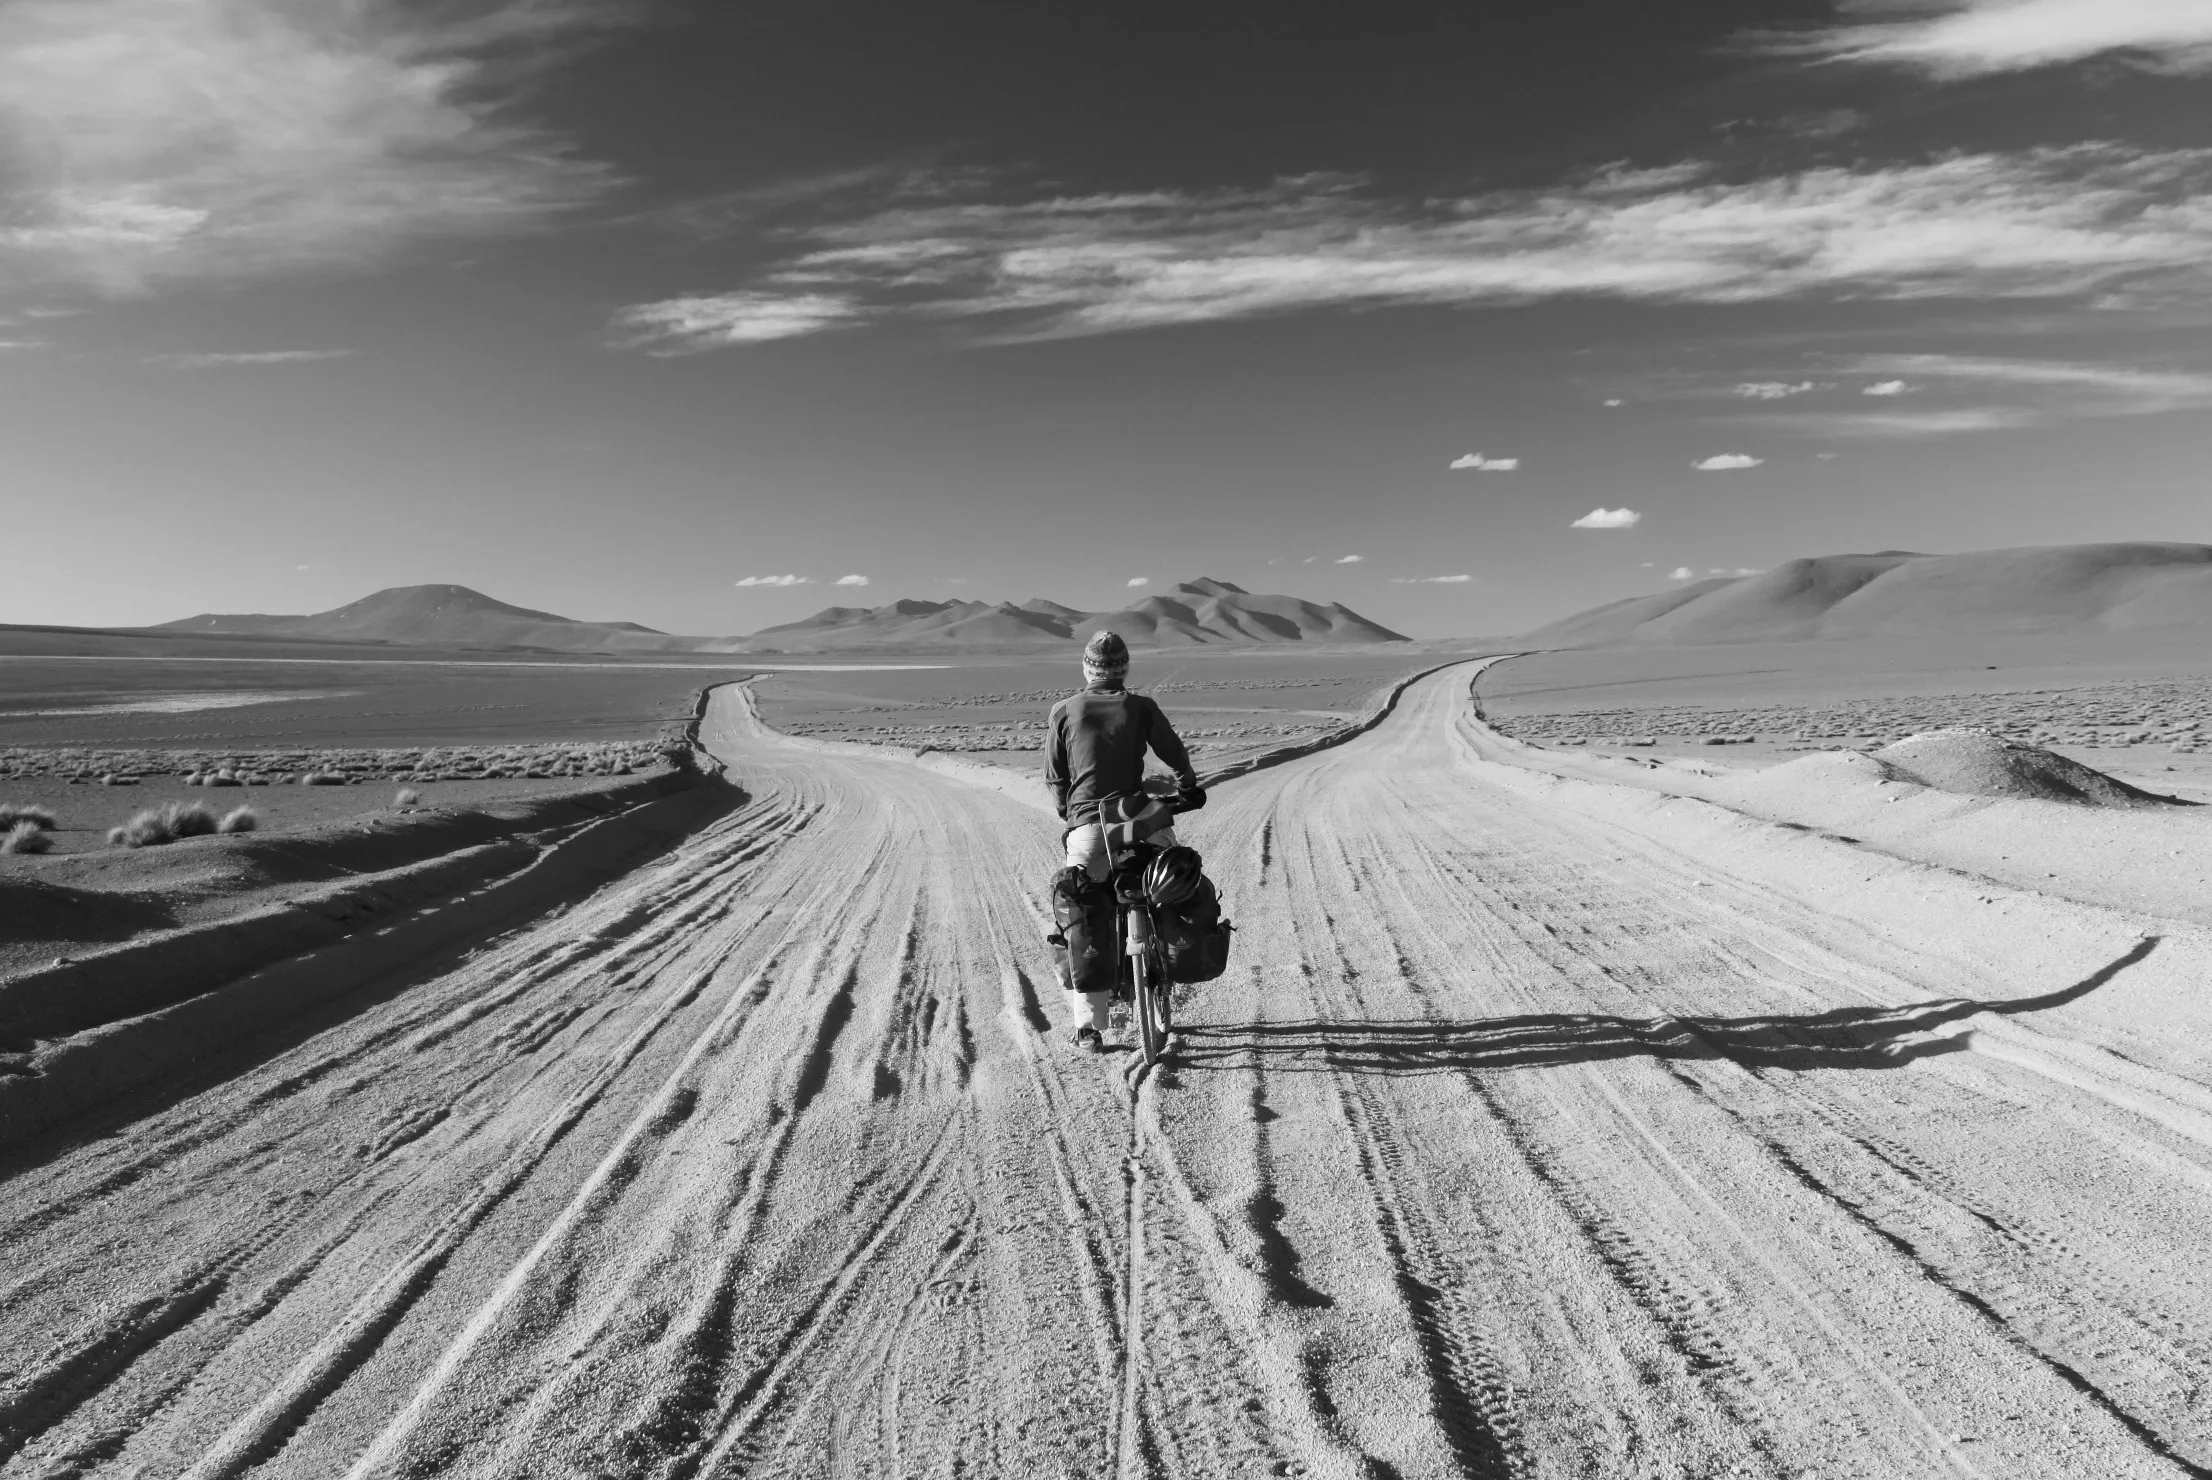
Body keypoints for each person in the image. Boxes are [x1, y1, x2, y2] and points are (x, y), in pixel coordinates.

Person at [1043, 630, 1205, 1051]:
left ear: (1086, 669)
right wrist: (1187, 785)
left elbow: (1056, 777)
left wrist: (1070, 812)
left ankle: (1088, 1027)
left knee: (1084, 911)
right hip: (1139, 821)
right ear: (1124, 669)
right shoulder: (1141, 706)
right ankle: (1165, 957)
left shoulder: (1064, 710)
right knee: (1169, 874)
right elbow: (1174, 752)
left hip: (1089, 828)